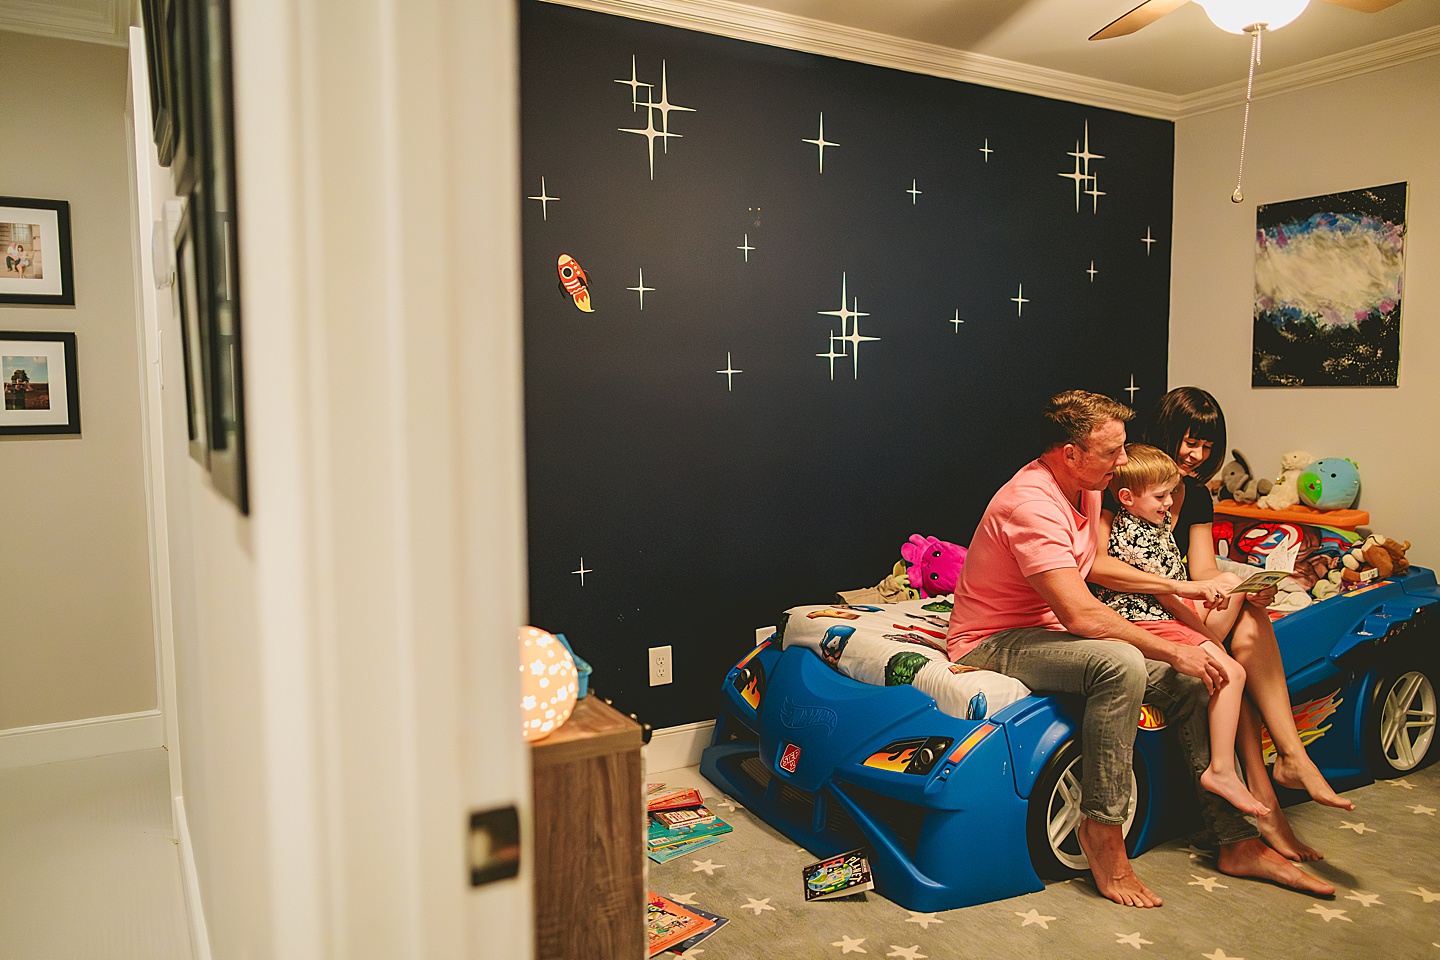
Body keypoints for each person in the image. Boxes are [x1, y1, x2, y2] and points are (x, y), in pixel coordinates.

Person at [946, 389, 1333, 908]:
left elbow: (1095, 576)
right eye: (1113, 452)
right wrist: (1173, 650)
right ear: (1071, 454)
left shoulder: (1084, 486)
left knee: (1204, 678)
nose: (1124, 461)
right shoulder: (1030, 503)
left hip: (1048, 630)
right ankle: (1102, 833)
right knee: (1122, 661)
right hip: (991, 639)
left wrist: (1190, 627)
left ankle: (1236, 841)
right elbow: (1081, 614)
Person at [1132, 387, 1353, 862]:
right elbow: (1109, 565)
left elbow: (1203, 569)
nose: (1196, 455)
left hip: (1177, 607)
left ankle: (1272, 791)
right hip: (1140, 614)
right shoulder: (1132, 479)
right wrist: (1220, 588)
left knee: (1247, 614)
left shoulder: (1194, 497)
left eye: (1208, 447)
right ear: (1166, 432)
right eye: (1189, 441)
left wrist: (1241, 585)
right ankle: (1285, 772)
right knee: (1243, 630)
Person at [1091, 443, 1267, 818]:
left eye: (1171, 493)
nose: (1170, 502)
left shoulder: (1151, 526)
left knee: (1231, 649)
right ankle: (1220, 770)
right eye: (1161, 495)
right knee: (1230, 672)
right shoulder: (1134, 534)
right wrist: (1208, 639)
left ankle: (1223, 769)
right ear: (1126, 497)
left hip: (1162, 616)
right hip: (1149, 621)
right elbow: (1168, 596)